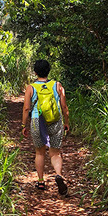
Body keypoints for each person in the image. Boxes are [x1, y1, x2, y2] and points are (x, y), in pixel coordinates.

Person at [21, 59, 70, 194]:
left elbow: (26, 108)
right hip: (55, 119)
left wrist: (24, 125)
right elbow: (64, 106)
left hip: (37, 120)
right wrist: (66, 122)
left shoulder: (31, 88)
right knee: (55, 152)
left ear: (35, 72)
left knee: (39, 152)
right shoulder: (57, 85)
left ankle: (41, 181)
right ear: (48, 71)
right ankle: (58, 174)